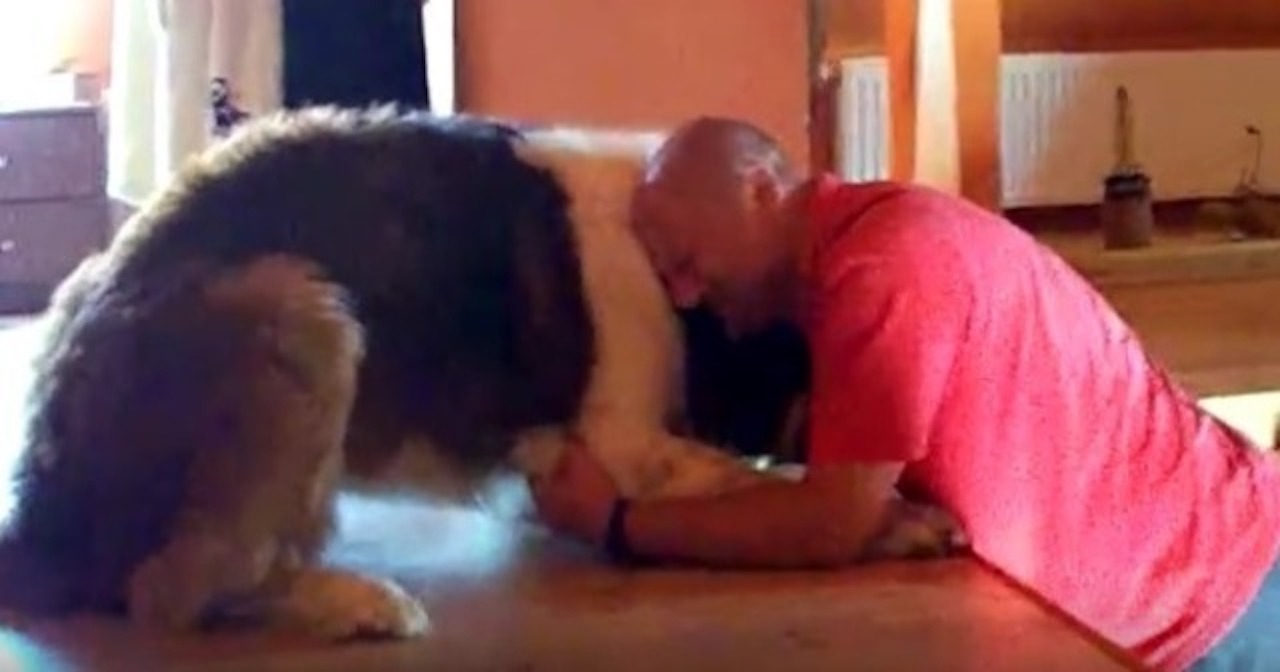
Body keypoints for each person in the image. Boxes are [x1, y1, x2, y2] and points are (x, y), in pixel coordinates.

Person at [528, 116, 1280, 672]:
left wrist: (616, 522)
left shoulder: (881, 268)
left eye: (689, 262)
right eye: (668, 278)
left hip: (1218, 594)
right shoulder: (858, 255)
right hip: (1187, 591)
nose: (686, 296)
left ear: (760, 188)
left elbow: (831, 524)